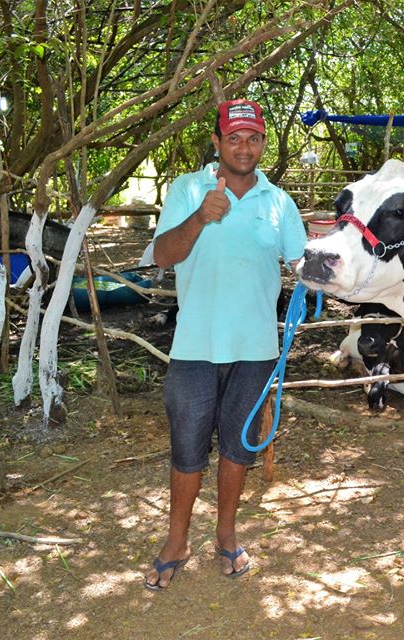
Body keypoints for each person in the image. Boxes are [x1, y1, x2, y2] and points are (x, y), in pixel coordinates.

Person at [143, 99, 307, 590]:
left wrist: (331, 265)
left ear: (262, 144)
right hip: (194, 346)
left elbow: (302, 264)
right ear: (216, 143)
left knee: (238, 449)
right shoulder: (188, 188)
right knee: (187, 449)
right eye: (233, 138)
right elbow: (161, 256)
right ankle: (177, 540)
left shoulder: (279, 203)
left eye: (253, 138)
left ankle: (226, 533)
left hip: (255, 350)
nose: (243, 146)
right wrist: (199, 217)